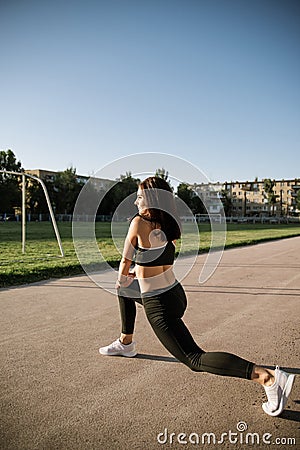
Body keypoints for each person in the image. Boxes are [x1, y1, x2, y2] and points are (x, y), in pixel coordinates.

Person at [99, 176, 295, 417]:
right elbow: (153, 257)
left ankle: (268, 378)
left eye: (139, 197)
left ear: (150, 199)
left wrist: (122, 277)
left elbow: (125, 260)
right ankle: (125, 343)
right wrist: (130, 280)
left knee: (194, 358)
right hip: (175, 294)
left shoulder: (138, 222)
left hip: (158, 304)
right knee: (125, 290)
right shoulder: (168, 223)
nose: (135, 203)